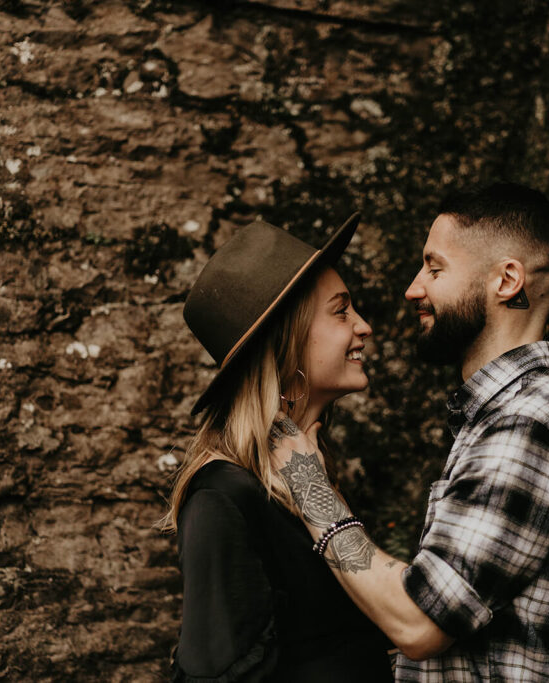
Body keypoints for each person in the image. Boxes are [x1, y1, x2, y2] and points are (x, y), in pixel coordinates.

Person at [268, 183, 549, 681]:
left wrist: (309, 487)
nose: (413, 288)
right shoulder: (506, 416)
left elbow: (421, 624)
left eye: (434, 268)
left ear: (507, 280)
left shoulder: (528, 424)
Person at [165, 214, 393, 681]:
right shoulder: (223, 497)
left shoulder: (306, 476)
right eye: (341, 311)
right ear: (286, 341)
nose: (364, 326)